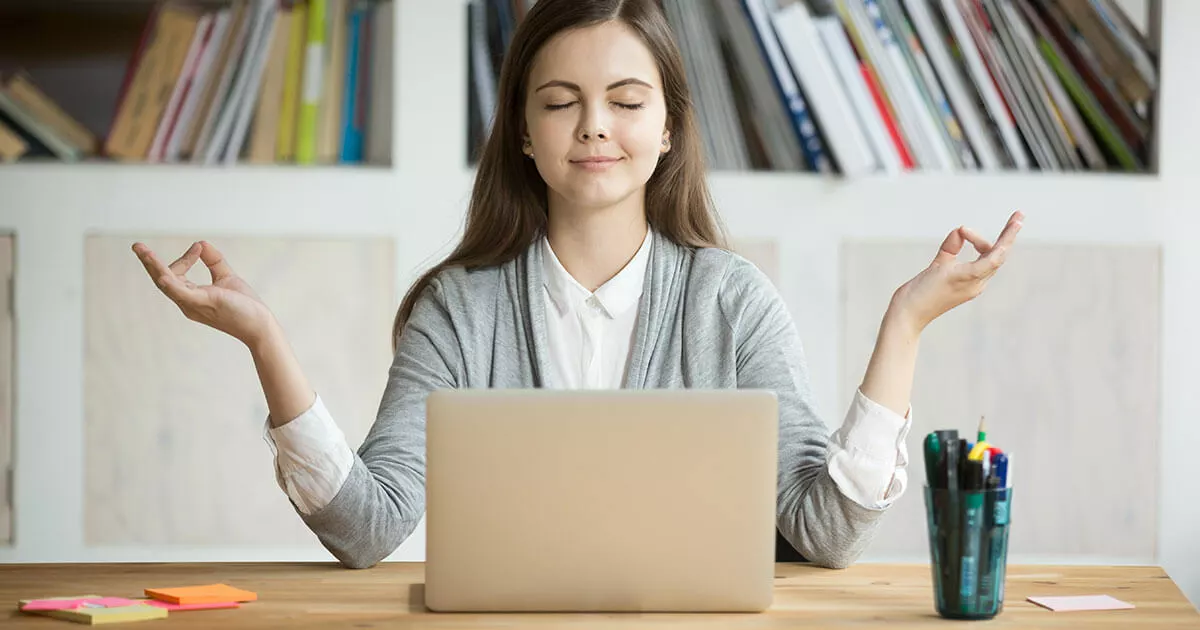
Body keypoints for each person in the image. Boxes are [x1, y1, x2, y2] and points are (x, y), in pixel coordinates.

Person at [131, 0, 1023, 571]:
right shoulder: (460, 309)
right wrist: (265, 340)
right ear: (523, 131)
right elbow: (369, 530)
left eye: (627, 102)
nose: (594, 126)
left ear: (668, 128)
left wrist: (906, 324)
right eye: (560, 102)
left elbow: (823, 534)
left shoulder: (733, 300)